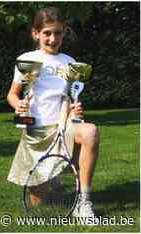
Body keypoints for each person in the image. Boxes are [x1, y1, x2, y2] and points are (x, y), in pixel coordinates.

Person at [7, 7, 99, 222]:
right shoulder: (26, 59)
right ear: (35, 34)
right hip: (36, 132)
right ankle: (52, 179)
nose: (52, 38)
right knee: (40, 200)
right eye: (47, 33)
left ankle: (83, 203)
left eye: (57, 33)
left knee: (90, 132)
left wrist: (75, 109)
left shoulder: (70, 61)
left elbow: (70, 95)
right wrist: (18, 105)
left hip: (63, 125)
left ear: (64, 33)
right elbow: (12, 94)